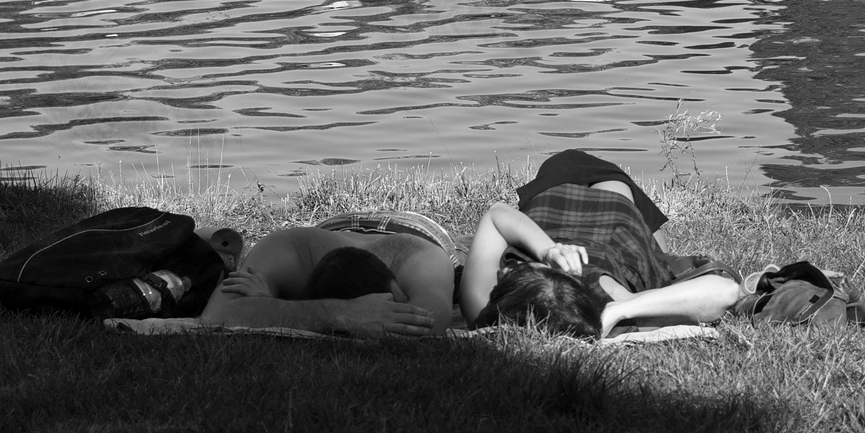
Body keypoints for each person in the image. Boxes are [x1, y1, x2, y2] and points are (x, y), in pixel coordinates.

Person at [458, 150, 749, 340]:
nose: (504, 271)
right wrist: (618, 311)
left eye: (517, 267)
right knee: (608, 177)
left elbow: (498, 212)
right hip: (614, 217)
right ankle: (641, 212)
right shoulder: (612, 304)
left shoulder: (484, 313)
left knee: (564, 162)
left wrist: (547, 249)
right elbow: (724, 291)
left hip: (553, 205)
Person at [197, 212, 457, 338]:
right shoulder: (290, 250)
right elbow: (215, 316)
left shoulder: (424, 260)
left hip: (420, 230)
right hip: (332, 226)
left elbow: (425, 328)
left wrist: (272, 306)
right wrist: (343, 316)